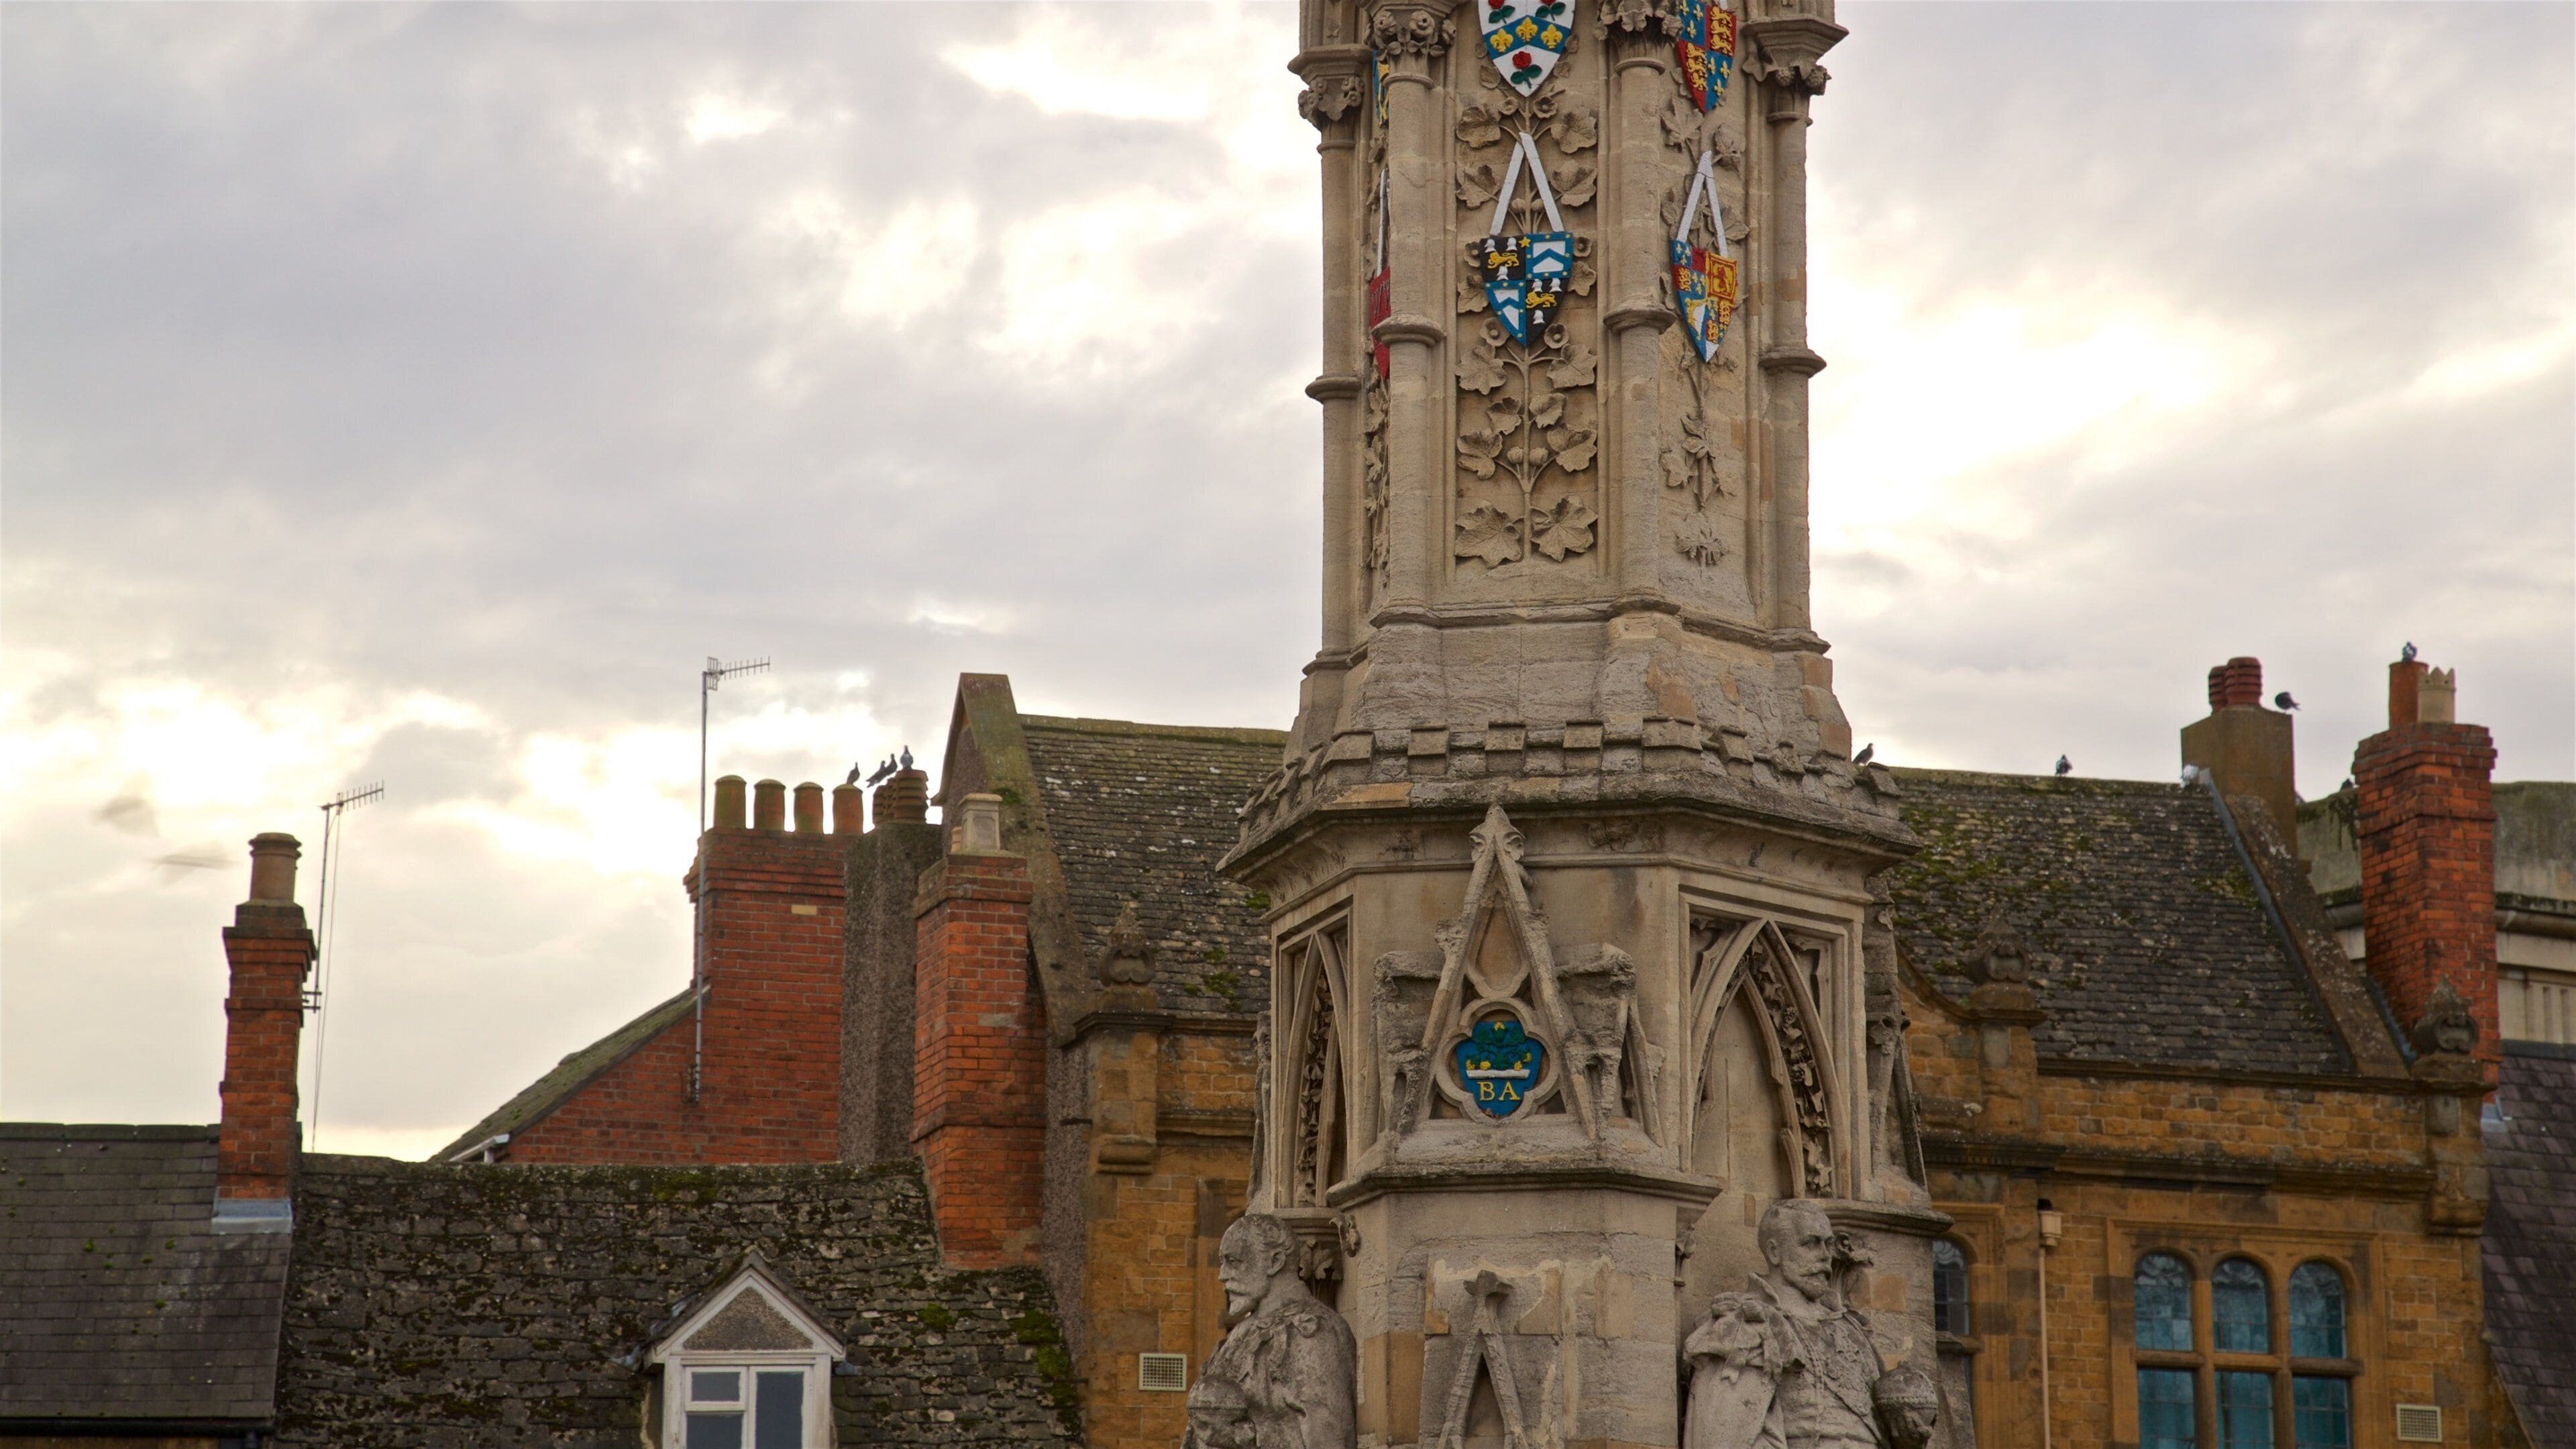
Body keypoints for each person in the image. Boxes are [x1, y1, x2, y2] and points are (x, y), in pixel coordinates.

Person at [1197, 1213, 1357, 1449]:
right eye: (1223, 1262)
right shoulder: (1238, 1335)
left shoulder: (1313, 1331)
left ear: (1275, 1262)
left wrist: (1242, 1436)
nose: (1222, 1275)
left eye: (1234, 1261)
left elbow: (1330, 1441)